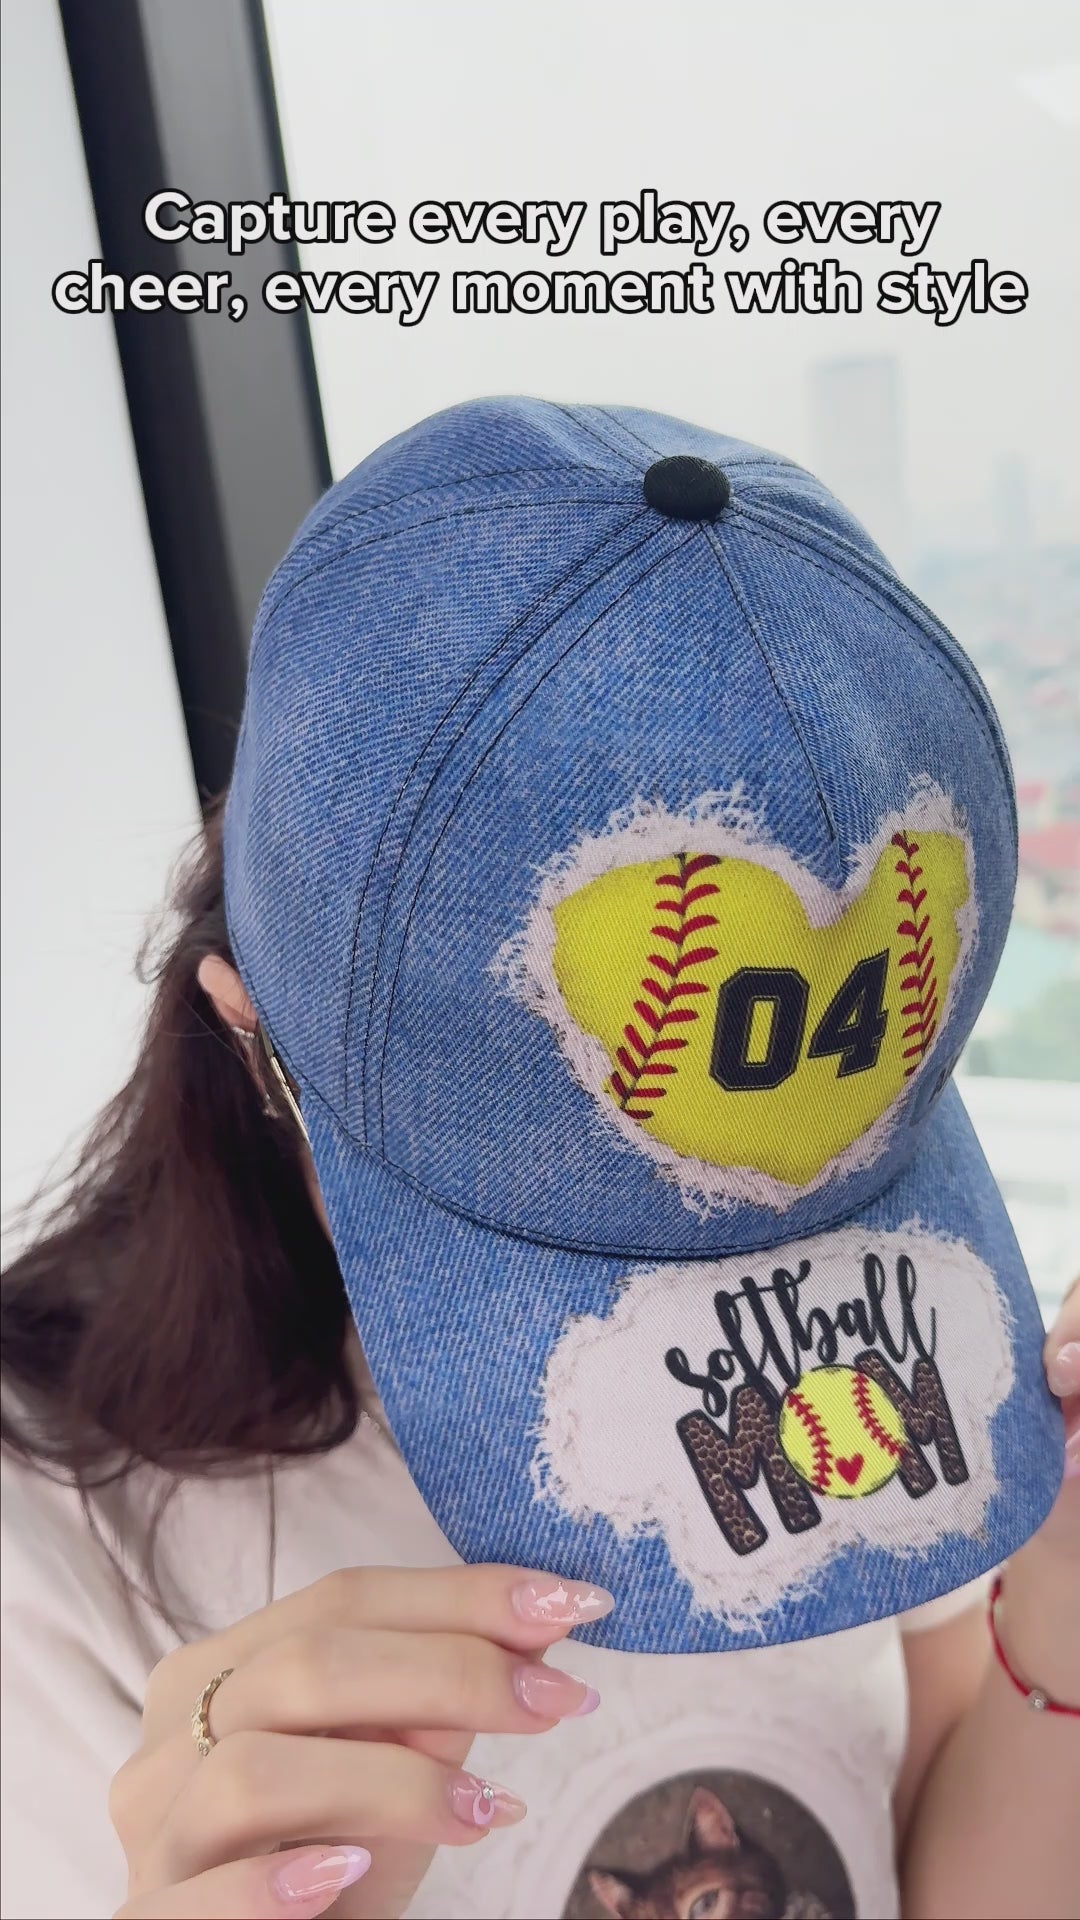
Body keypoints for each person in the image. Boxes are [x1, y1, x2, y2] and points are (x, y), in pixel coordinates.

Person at [2, 399, 1077, 1920]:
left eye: (807, 1242)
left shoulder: (899, 1338)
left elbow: (936, 1844)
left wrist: (1064, 1606)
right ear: (247, 1031)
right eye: (578, 1242)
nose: (772, 1338)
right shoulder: (53, 1532)